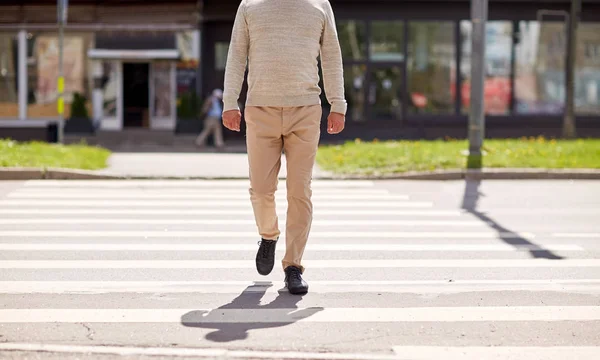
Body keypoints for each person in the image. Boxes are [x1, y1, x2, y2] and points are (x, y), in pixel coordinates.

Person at [221, 0, 346, 295]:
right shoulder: (250, 5)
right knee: (261, 190)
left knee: (299, 190)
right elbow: (237, 55)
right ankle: (268, 235)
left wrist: (337, 103)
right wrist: (230, 102)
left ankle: (293, 266)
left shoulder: (319, 5)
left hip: (305, 110)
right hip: (259, 109)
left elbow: (331, 56)